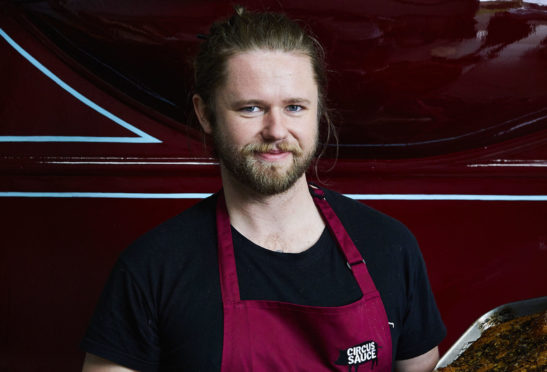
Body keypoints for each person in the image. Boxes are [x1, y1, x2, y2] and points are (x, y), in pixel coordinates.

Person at [81, 7, 446, 372]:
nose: (276, 130)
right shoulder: (152, 268)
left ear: (317, 111)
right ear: (206, 114)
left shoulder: (389, 247)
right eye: (251, 108)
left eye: (294, 107)